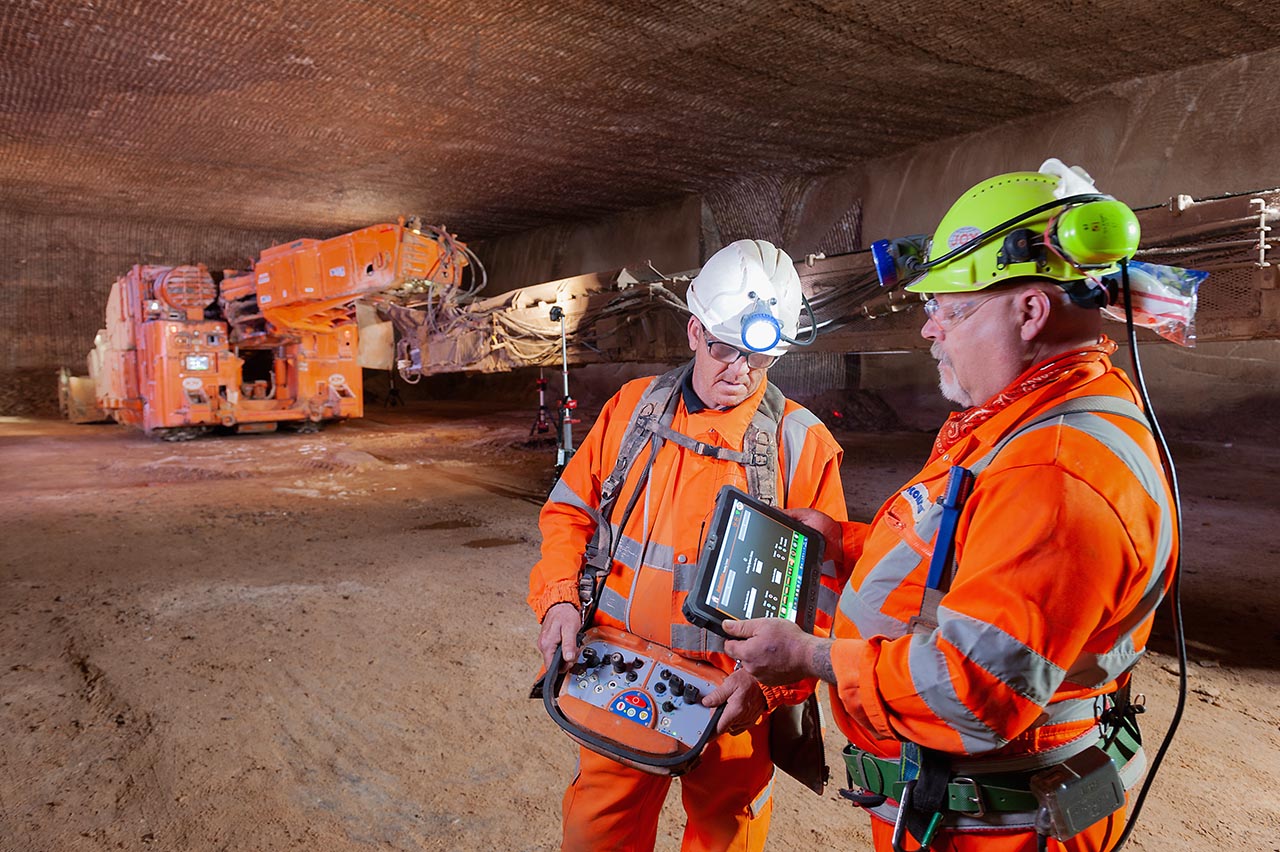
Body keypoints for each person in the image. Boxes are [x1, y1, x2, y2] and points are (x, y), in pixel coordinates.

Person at [723, 164, 1178, 852]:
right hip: (969, 806)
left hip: (998, 826)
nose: (931, 330)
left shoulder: (1056, 469)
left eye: (952, 309)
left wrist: (814, 656)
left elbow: (971, 690)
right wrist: (844, 544)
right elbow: (963, 550)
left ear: (1030, 311)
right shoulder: (1024, 420)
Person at [529, 239, 849, 852]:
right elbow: (569, 512)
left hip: (733, 699)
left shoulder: (800, 443)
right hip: (616, 677)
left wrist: (768, 687)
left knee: (727, 839)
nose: (741, 371)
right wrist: (561, 600)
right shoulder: (633, 411)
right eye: (726, 349)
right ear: (695, 330)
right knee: (599, 836)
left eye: (761, 358)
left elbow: (825, 594)